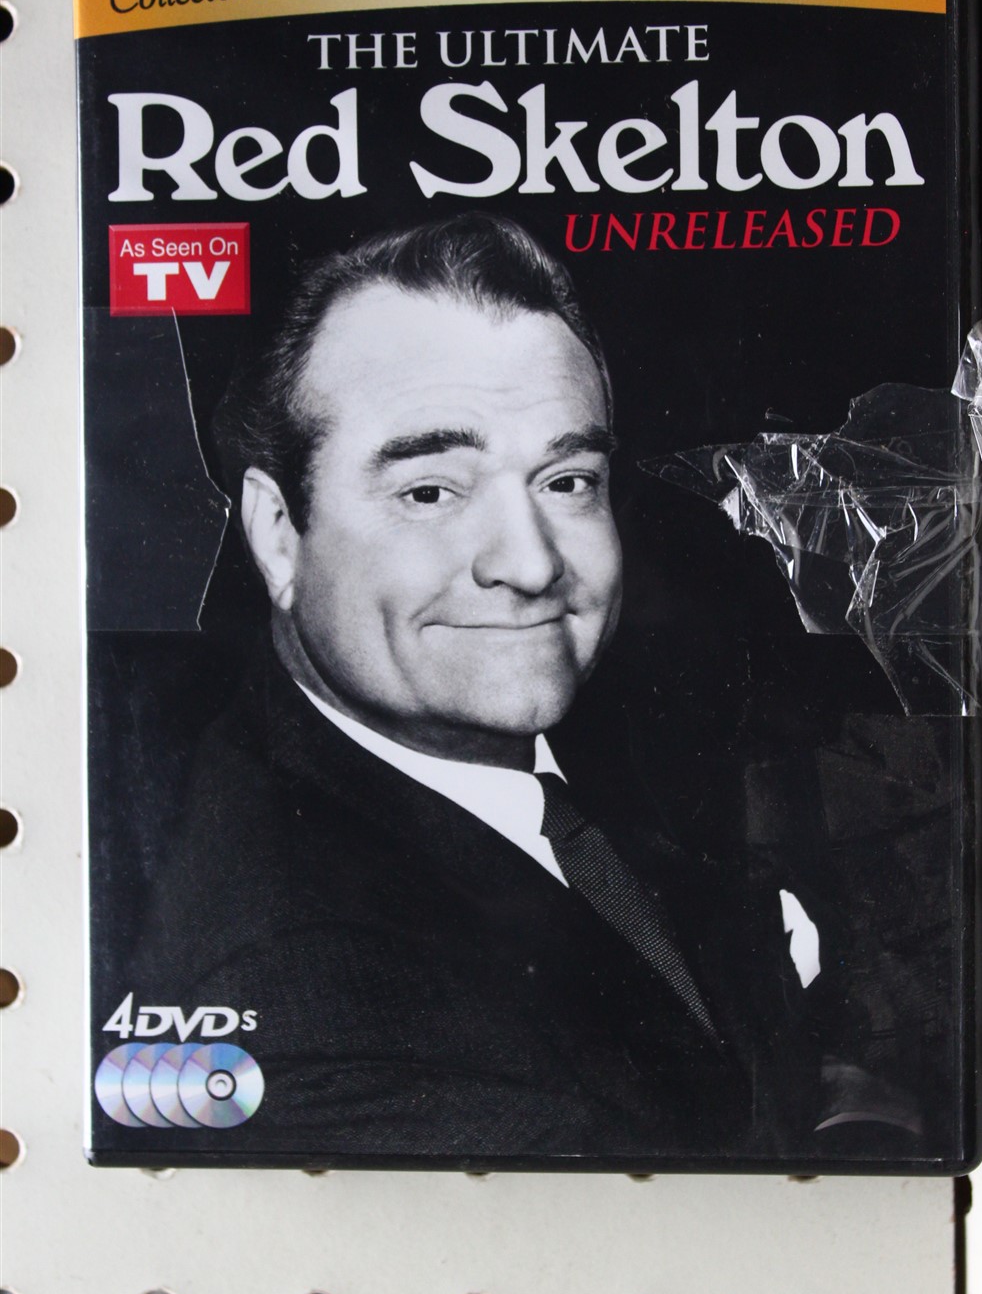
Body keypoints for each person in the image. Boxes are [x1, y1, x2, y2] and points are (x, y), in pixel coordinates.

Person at [137, 215, 814, 1161]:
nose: (530, 565)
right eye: (430, 492)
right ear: (278, 534)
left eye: (566, 481)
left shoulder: (592, 767)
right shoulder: (305, 999)